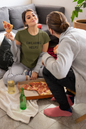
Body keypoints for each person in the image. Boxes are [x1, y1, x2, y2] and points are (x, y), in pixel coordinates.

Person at [42, 11, 86, 117]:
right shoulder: (79, 31)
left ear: (51, 31)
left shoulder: (66, 42)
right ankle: (69, 96)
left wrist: (45, 56)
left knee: (47, 71)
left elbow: (59, 73)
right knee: (69, 63)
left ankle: (64, 108)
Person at [3, 9, 50, 85]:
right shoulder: (20, 34)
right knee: (6, 79)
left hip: (37, 66)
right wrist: (12, 41)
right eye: (28, 17)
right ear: (25, 22)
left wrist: (36, 71)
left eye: (33, 15)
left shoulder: (44, 35)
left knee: (54, 74)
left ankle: (31, 74)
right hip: (21, 64)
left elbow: (42, 55)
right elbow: (15, 53)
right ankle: (29, 77)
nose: (32, 17)